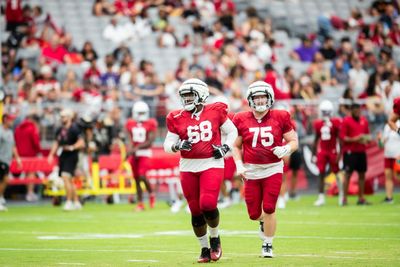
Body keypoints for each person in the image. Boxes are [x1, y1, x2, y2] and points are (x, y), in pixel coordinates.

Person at [163, 78, 237, 263]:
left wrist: (226, 147)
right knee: (195, 210)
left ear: (201, 95)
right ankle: (204, 248)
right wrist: (177, 146)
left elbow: (233, 131)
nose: (187, 99)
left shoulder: (215, 111)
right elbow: (167, 144)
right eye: (184, 96)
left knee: (207, 204)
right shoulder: (176, 117)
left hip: (211, 163)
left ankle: (215, 238)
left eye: (190, 95)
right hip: (187, 166)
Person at [232, 81, 298, 258]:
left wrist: (286, 149)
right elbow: (235, 146)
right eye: (256, 97)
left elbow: (293, 141)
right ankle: (262, 222)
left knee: (269, 208)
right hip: (251, 170)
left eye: (263, 96)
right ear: (250, 99)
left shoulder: (281, 116)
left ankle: (268, 245)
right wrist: (238, 164)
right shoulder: (240, 118)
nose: (260, 100)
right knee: (254, 214)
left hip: (273, 168)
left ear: (270, 98)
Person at [47, 109, 85, 211]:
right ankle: (76, 202)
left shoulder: (75, 129)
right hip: (63, 154)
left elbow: (81, 142)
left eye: (64, 117)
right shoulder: (60, 130)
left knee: (65, 176)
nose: (62, 119)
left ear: (69, 117)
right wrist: (51, 154)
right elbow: (56, 142)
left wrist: (72, 147)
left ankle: (69, 201)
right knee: (69, 180)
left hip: (72, 155)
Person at [125, 101, 158, 211]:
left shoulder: (151, 122)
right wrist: (129, 150)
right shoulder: (130, 123)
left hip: (145, 153)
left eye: (142, 112)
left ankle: (151, 193)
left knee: (142, 175)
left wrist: (137, 148)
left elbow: (150, 141)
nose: (140, 115)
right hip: (134, 154)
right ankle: (140, 203)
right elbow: (129, 139)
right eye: (139, 113)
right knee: (137, 179)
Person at [340, 102, 371, 206]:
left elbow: (367, 136)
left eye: (359, 110)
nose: (358, 112)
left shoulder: (364, 121)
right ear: (351, 111)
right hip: (350, 152)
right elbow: (343, 137)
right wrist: (356, 139)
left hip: (361, 151)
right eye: (356, 110)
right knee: (347, 175)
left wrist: (366, 140)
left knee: (362, 174)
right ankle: (344, 199)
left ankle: (361, 198)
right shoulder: (346, 121)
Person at [312, 100, 342, 206]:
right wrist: (313, 154)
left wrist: (339, 154)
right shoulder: (318, 123)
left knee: (337, 173)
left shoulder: (336, 122)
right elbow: (316, 140)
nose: (325, 114)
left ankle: (341, 195)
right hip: (323, 151)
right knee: (321, 173)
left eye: (326, 111)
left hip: (332, 150)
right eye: (323, 111)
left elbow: (340, 139)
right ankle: (321, 197)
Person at [14, 113, 41, 202]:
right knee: (31, 173)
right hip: (30, 154)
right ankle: (30, 193)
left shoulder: (17, 128)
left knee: (25, 174)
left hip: (19, 155)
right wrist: (38, 151)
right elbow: (36, 142)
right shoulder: (32, 128)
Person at [0, 114, 22, 211]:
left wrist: (17, 158)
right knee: (4, 179)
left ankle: (0, 198)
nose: (12, 122)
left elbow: (13, 146)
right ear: (5, 120)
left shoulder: (10, 132)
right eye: (10, 120)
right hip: (1, 160)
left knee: (4, 181)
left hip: (7, 160)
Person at [377, 119, 400, 203]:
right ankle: (389, 198)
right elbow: (382, 145)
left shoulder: (398, 124)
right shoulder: (386, 126)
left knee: (398, 177)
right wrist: (379, 140)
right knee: (388, 177)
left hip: (398, 155)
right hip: (388, 155)